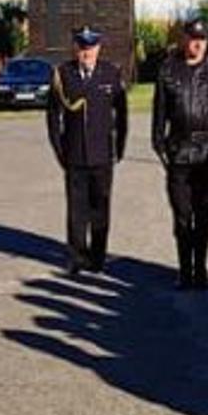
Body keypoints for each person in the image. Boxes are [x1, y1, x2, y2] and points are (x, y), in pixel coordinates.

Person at [151, 18, 208, 290]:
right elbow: (159, 118)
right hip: (179, 154)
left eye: (203, 39)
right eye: (193, 38)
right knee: (182, 217)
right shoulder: (168, 71)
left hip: (207, 156)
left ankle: (201, 270)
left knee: (204, 217)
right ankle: (185, 271)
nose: (197, 44)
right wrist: (163, 150)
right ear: (184, 39)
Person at [47, 25, 129, 275]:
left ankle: (98, 257)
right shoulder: (63, 75)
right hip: (74, 154)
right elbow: (53, 116)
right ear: (76, 48)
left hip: (102, 154)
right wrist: (59, 149)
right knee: (76, 209)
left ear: (98, 48)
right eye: (82, 47)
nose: (86, 52)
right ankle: (77, 256)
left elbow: (122, 115)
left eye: (91, 47)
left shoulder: (111, 74)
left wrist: (119, 148)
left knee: (100, 208)